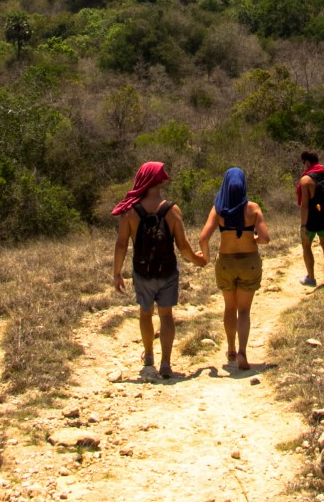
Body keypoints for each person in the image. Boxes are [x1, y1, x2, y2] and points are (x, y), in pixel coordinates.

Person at [112, 161, 205, 379]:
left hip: (142, 271)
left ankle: (149, 358)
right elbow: (182, 245)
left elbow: (122, 244)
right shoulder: (172, 210)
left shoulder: (129, 212)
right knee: (166, 315)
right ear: (159, 181)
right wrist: (196, 260)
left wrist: (117, 273)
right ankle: (166, 363)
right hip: (167, 271)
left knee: (145, 314)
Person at [198, 167, 271, 371]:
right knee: (244, 310)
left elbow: (203, 238)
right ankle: (242, 351)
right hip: (249, 262)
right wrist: (254, 237)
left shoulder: (218, 209)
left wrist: (206, 257)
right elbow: (265, 238)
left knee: (229, 307)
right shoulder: (253, 209)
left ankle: (230, 349)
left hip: (226, 262)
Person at [296, 150, 324, 287]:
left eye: (304, 162)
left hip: (311, 219)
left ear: (307, 161)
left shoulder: (306, 180)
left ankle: (311, 278)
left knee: (306, 247)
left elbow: (304, 205)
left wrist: (303, 225)